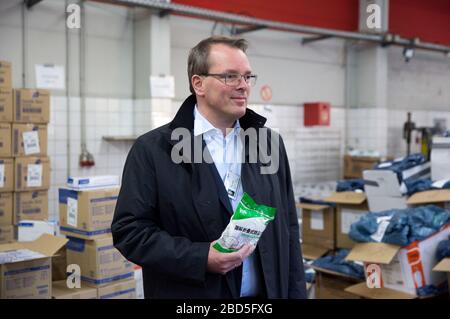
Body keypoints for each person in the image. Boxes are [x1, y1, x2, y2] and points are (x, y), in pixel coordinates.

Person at [111, 36, 307, 299]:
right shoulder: (154, 150)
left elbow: (289, 230)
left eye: (248, 77)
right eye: (230, 77)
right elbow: (130, 232)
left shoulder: (268, 143)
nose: (243, 86)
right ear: (198, 83)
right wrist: (200, 257)